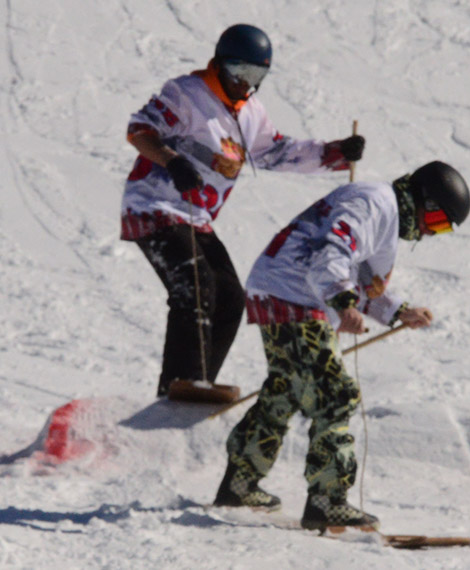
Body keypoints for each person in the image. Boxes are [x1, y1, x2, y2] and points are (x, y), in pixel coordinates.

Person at [213, 161, 470, 532]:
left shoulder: (383, 216)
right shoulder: (375, 203)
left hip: (280, 292)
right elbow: (331, 250)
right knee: (335, 393)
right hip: (295, 296)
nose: (431, 234)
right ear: (425, 203)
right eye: (438, 223)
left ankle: (239, 484)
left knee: (284, 391)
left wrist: (398, 311)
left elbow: (359, 283)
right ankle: (327, 501)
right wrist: (341, 300)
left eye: (443, 230)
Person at [121, 24, 366, 397]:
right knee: (197, 286)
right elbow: (140, 130)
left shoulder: (250, 113)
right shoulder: (186, 95)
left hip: (195, 218)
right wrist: (170, 160)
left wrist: (334, 154)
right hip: (154, 207)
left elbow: (275, 152)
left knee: (232, 298)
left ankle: (196, 388)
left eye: (256, 76)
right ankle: (177, 387)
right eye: (239, 72)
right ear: (219, 64)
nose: (245, 83)